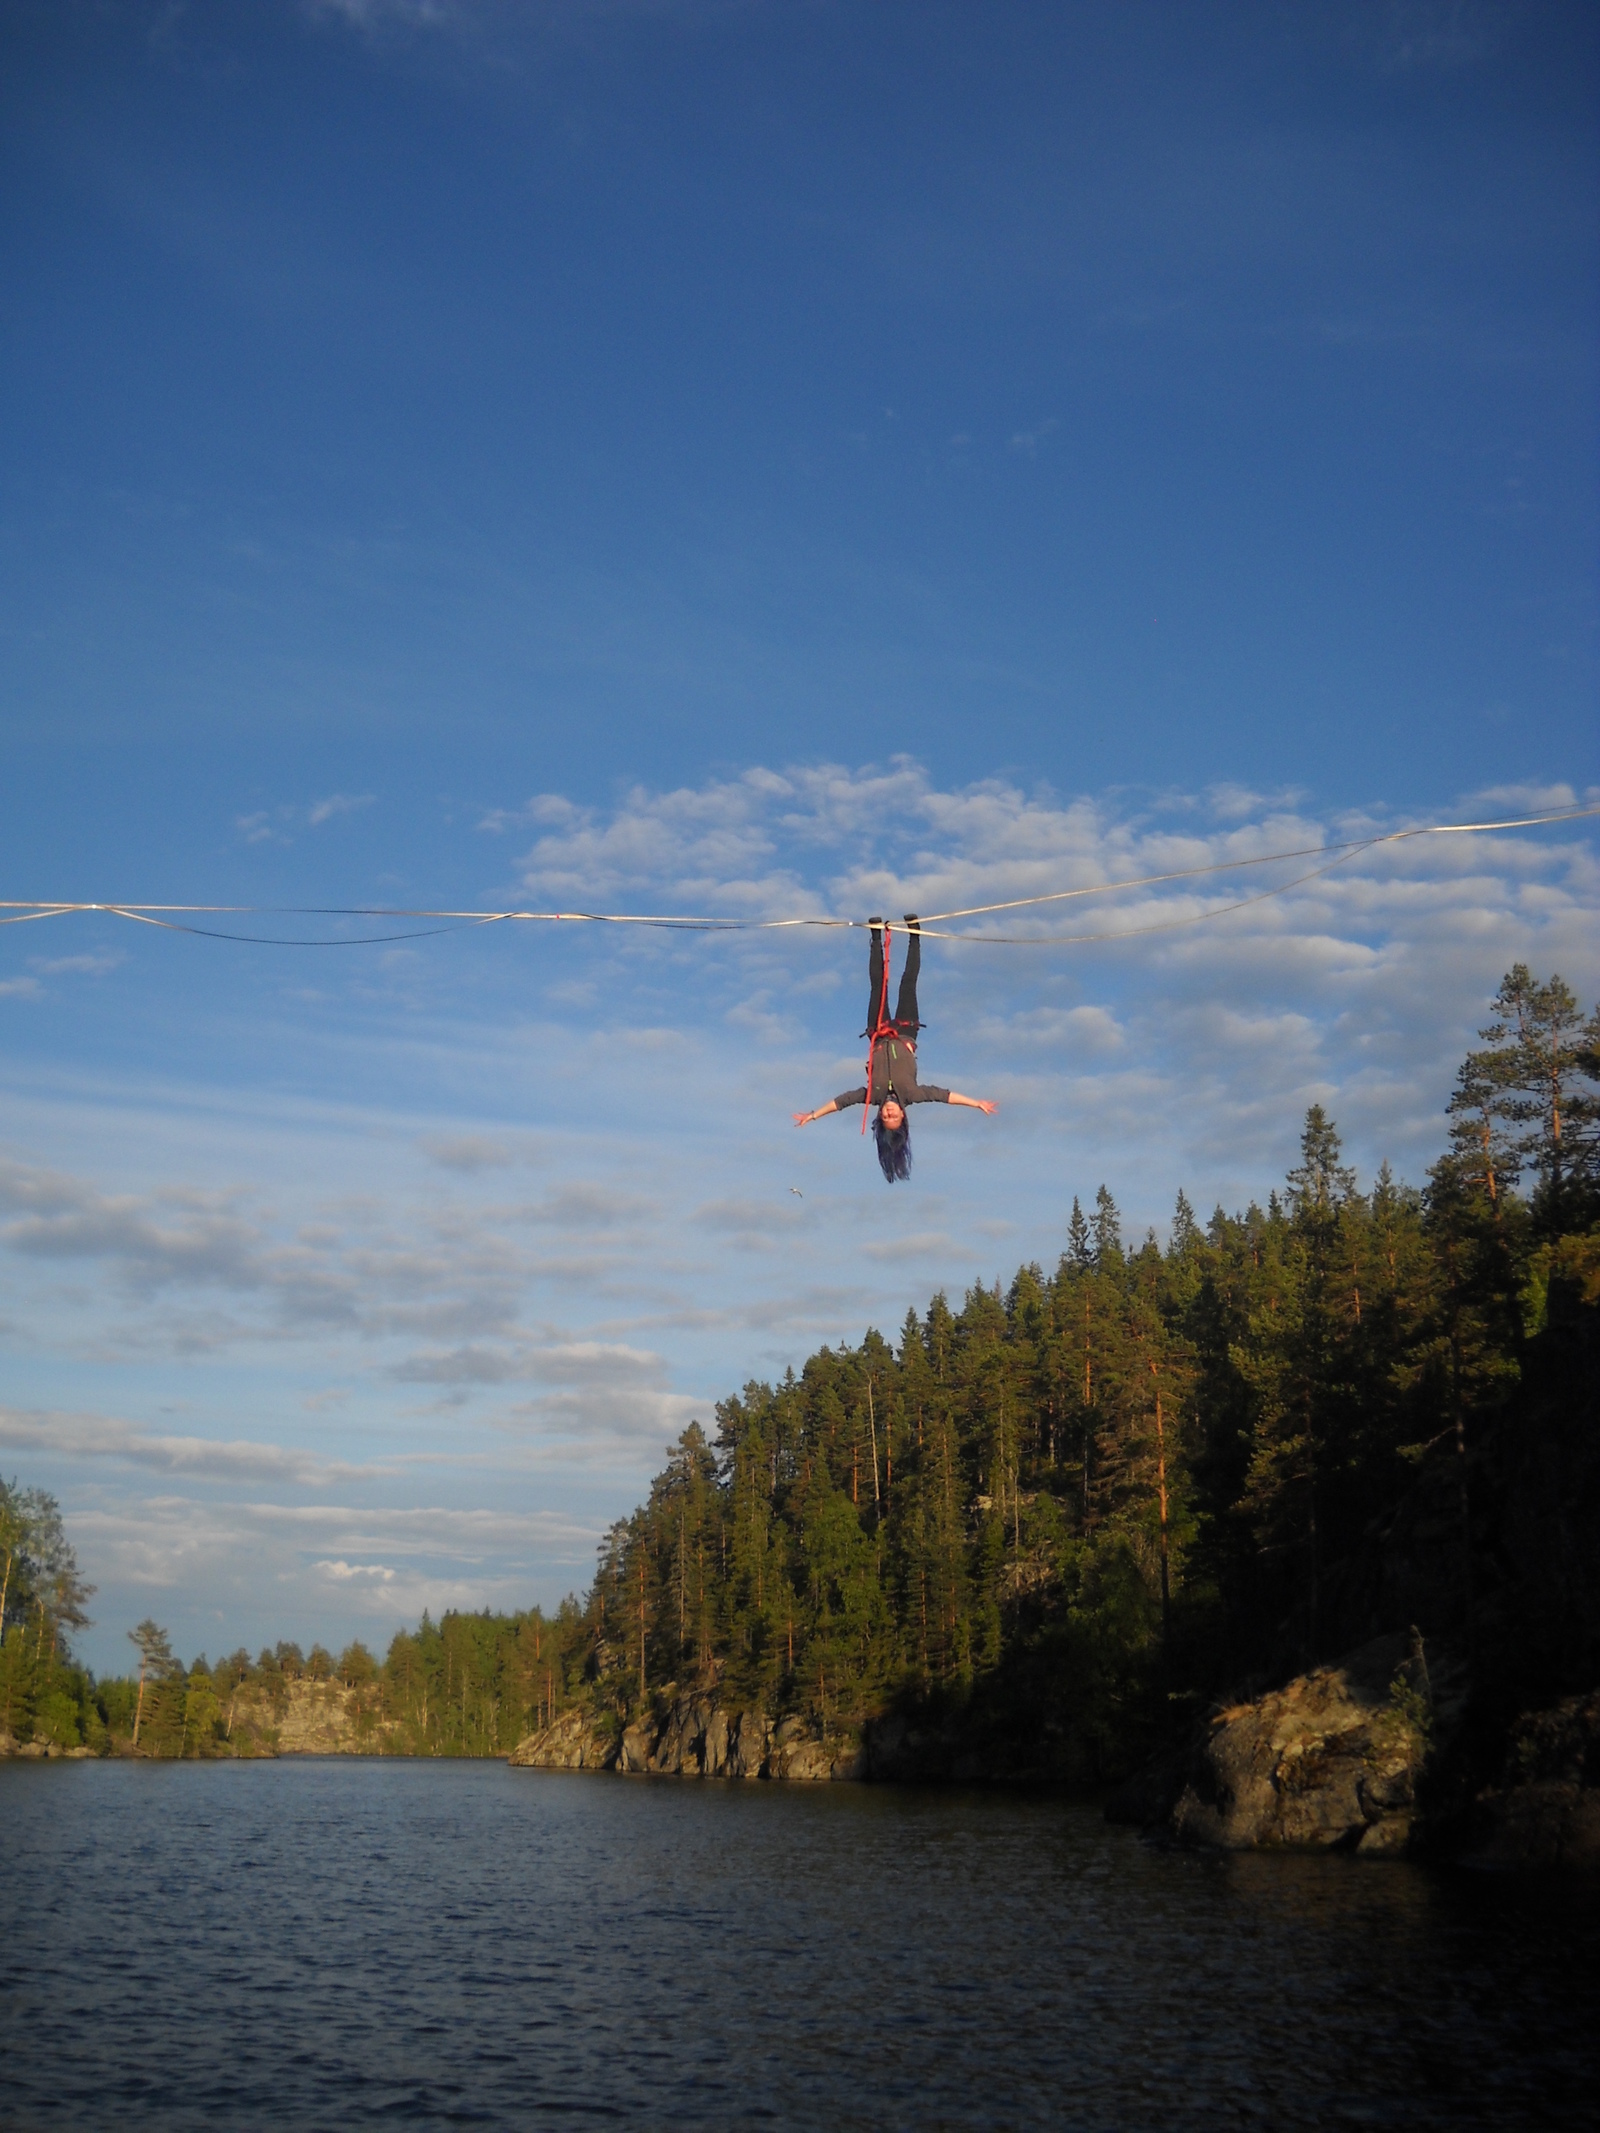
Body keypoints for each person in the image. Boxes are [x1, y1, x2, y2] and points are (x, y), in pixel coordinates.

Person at [793, 915, 997, 1181]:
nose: (889, 1112)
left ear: (880, 1116)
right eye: (894, 1116)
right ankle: (915, 935)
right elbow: (944, 1096)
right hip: (905, 1032)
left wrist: (813, 1115)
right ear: (903, 1115)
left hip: (878, 1033)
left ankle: (876, 936)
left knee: (877, 986)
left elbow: (841, 1102)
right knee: (907, 983)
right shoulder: (912, 1094)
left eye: (886, 1117)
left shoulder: (872, 1097)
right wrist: (976, 1103)